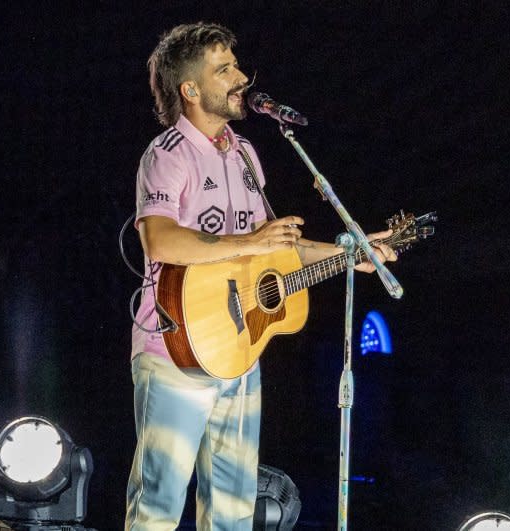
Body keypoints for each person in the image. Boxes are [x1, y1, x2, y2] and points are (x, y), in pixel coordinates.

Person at [127, 22, 397, 531]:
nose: (242, 78)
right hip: (175, 348)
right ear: (190, 90)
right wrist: (250, 242)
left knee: (232, 509)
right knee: (158, 504)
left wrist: (351, 252)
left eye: (236, 65)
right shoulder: (166, 155)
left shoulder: (246, 154)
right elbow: (159, 240)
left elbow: (276, 249)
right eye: (224, 70)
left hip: (239, 347)